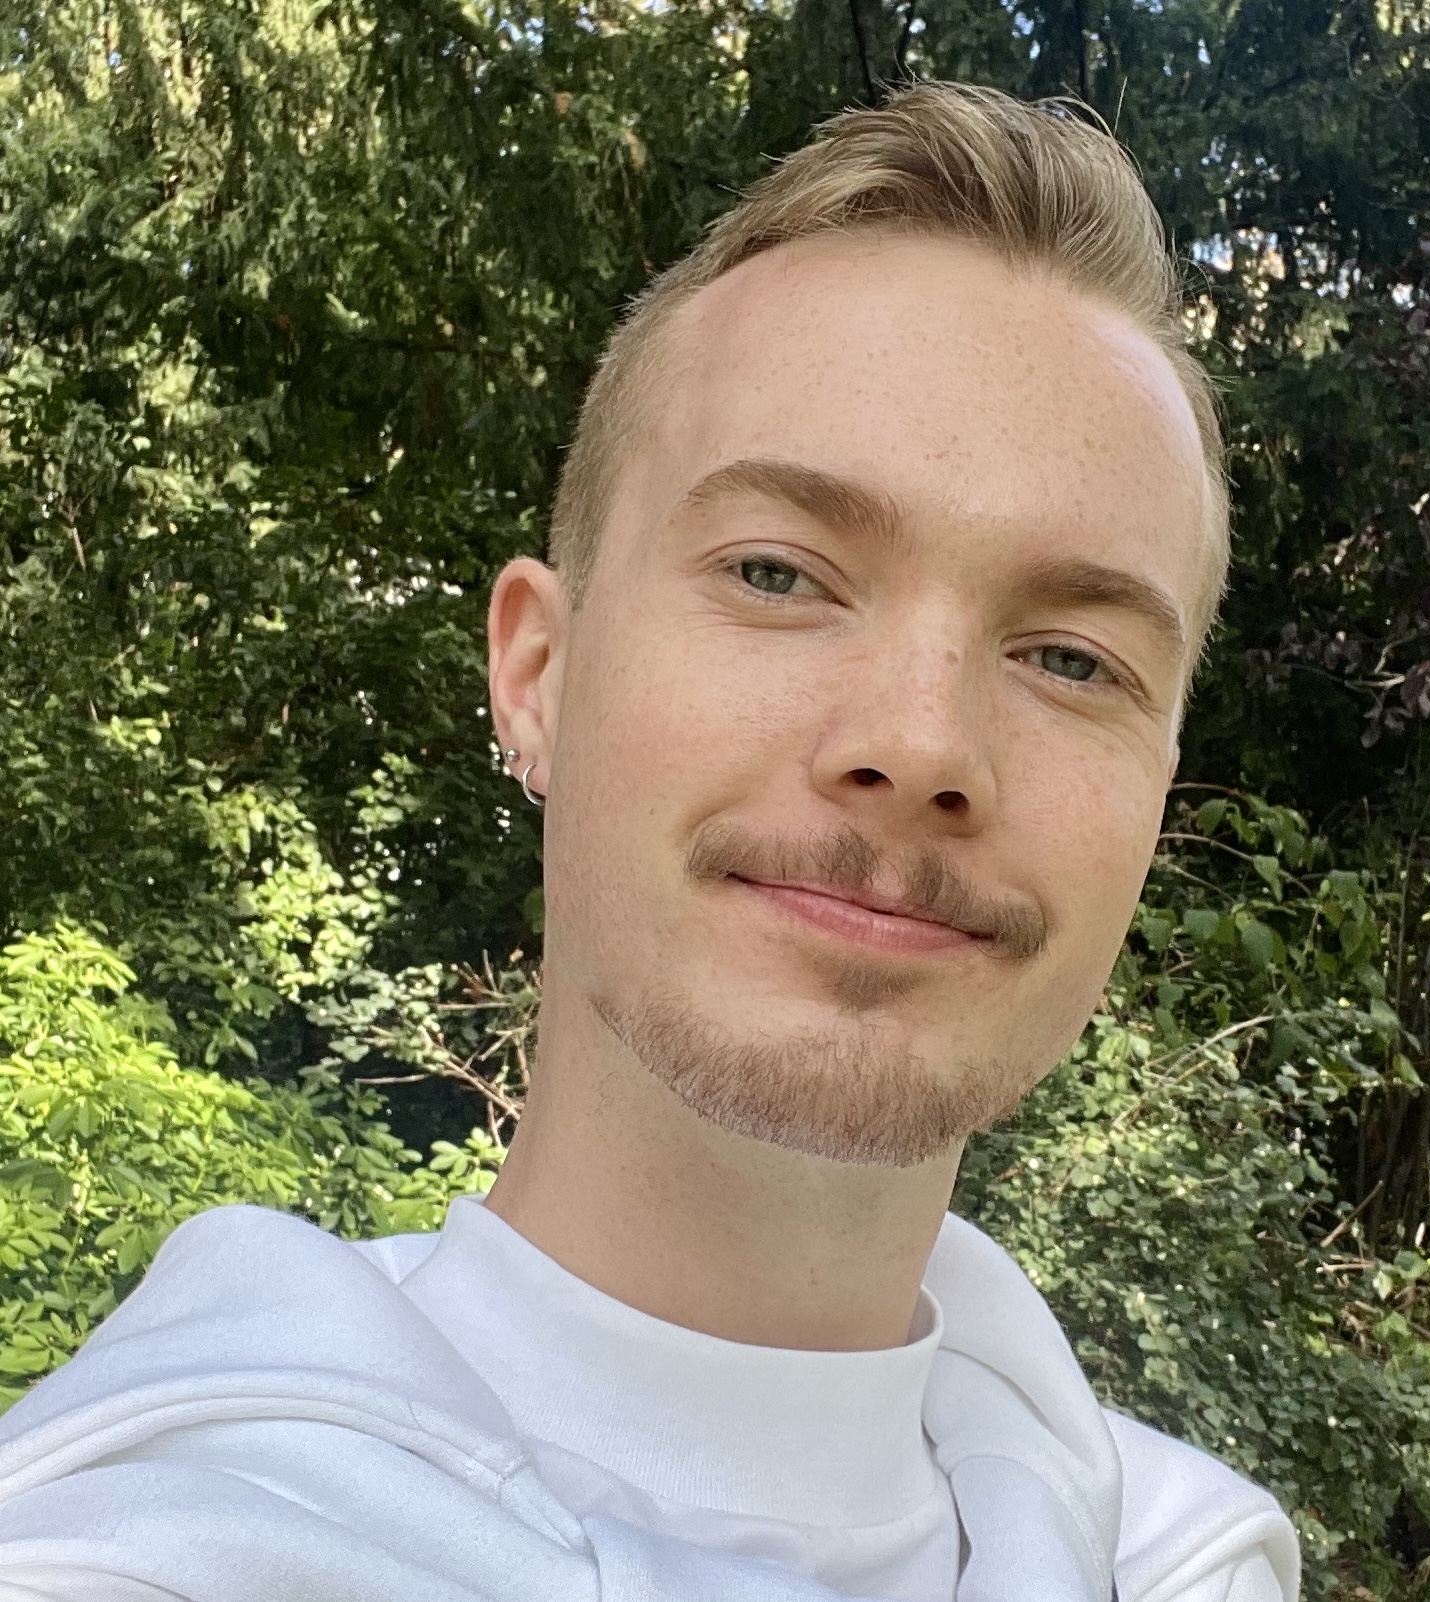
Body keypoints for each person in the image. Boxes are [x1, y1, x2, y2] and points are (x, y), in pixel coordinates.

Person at [0, 82, 1299, 1602]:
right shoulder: (144, 1552)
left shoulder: (1192, 1563)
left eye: (1072, 659)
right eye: (777, 573)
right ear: (538, 675)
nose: (922, 744)